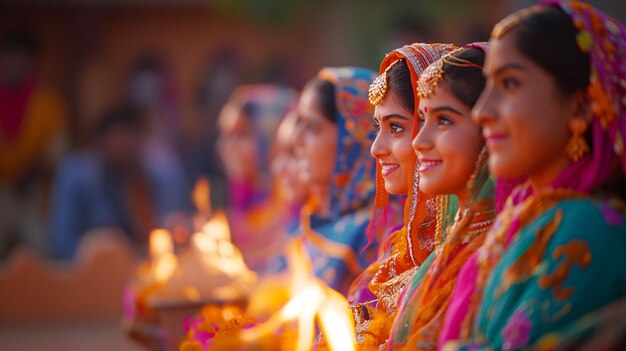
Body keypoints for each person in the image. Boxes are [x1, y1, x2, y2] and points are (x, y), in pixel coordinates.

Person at [440, 2, 626, 349]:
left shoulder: (592, 228)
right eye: (488, 85)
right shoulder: (524, 218)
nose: (482, 112)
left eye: (509, 83)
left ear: (581, 105)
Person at [344, 43, 458, 348]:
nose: (376, 148)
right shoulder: (400, 248)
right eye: (378, 127)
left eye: (396, 127)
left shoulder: (463, 254)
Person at [387, 44, 496, 350]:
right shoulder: (444, 253)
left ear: (490, 127)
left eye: (444, 120)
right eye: (422, 120)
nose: (419, 141)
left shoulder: (497, 249)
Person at [48, 106, 187, 259]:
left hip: (146, 266)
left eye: (129, 135)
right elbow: (62, 241)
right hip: (93, 270)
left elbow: (171, 225)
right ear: (100, 142)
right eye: (116, 137)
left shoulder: (159, 173)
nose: (123, 143)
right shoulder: (76, 177)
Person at [293, 67, 378, 295]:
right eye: (298, 124)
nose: (296, 140)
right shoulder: (313, 219)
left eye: (311, 127)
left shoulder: (372, 235)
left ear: (352, 139)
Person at [216, 84, 298, 274]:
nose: (227, 148)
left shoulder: (296, 207)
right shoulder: (242, 210)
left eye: (242, 135)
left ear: (273, 137)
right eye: (225, 135)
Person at [0, 27, 67, 258]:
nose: (15, 64)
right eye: (10, 56)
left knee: (40, 253)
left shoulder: (48, 106)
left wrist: (30, 173)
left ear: (32, 63)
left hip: (33, 194)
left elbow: (56, 152)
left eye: (22, 58)